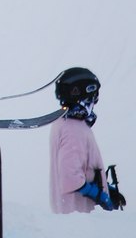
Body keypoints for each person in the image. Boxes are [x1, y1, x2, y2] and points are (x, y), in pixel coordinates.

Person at [49, 66, 126, 214]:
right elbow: (70, 177)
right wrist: (100, 196)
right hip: (79, 216)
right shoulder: (72, 130)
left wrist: (105, 188)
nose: (95, 100)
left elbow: (82, 167)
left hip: (72, 214)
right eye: (93, 96)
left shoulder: (65, 124)